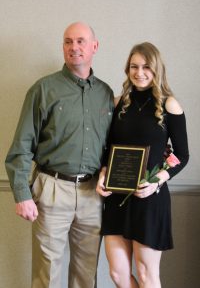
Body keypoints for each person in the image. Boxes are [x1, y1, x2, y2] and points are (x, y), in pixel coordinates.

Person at [5, 22, 114, 288]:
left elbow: (112, 146)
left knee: (87, 273)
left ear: (94, 47)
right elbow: (21, 146)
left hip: (92, 195)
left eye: (80, 41)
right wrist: (22, 194)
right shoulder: (42, 90)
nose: (74, 47)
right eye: (68, 42)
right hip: (51, 189)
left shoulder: (106, 94)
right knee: (47, 271)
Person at [96, 42, 189, 288]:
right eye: (134, 66)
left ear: (157, 69)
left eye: (146, 67)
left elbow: (182, 155)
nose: (139, 72)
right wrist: (104, 173)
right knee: (118, 274)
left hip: (150, 199)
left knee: (147, 275)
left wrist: (155, 182)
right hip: (117, 197)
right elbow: (107, 150)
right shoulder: (118, 104)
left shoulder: (169, 105)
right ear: (127, 69)